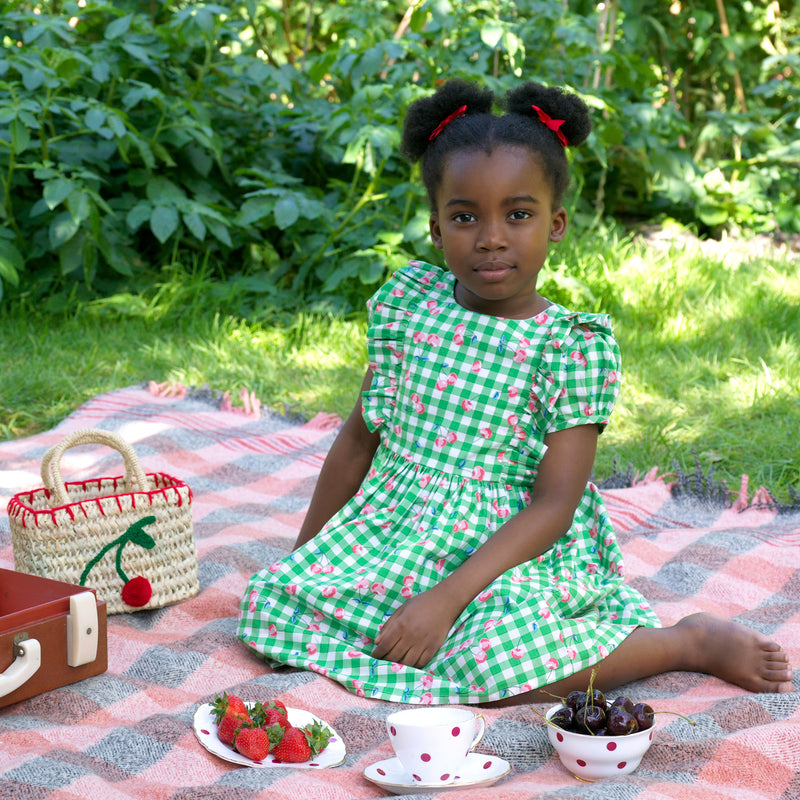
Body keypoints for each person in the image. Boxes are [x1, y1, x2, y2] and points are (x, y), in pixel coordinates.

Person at [237, 79, 793, 706]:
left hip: (513, 552)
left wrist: (447, 599)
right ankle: (395, 608)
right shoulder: (409, 308)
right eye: (465, 216)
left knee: (493, 668)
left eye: (518, 214)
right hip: (399, 534)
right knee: (269, 609)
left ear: (555, 224)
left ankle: (683, 642)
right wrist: (308, 558)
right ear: (435, 225)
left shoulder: (569, 347)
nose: (491, 236)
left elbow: (555, 504)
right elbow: (358, 440)